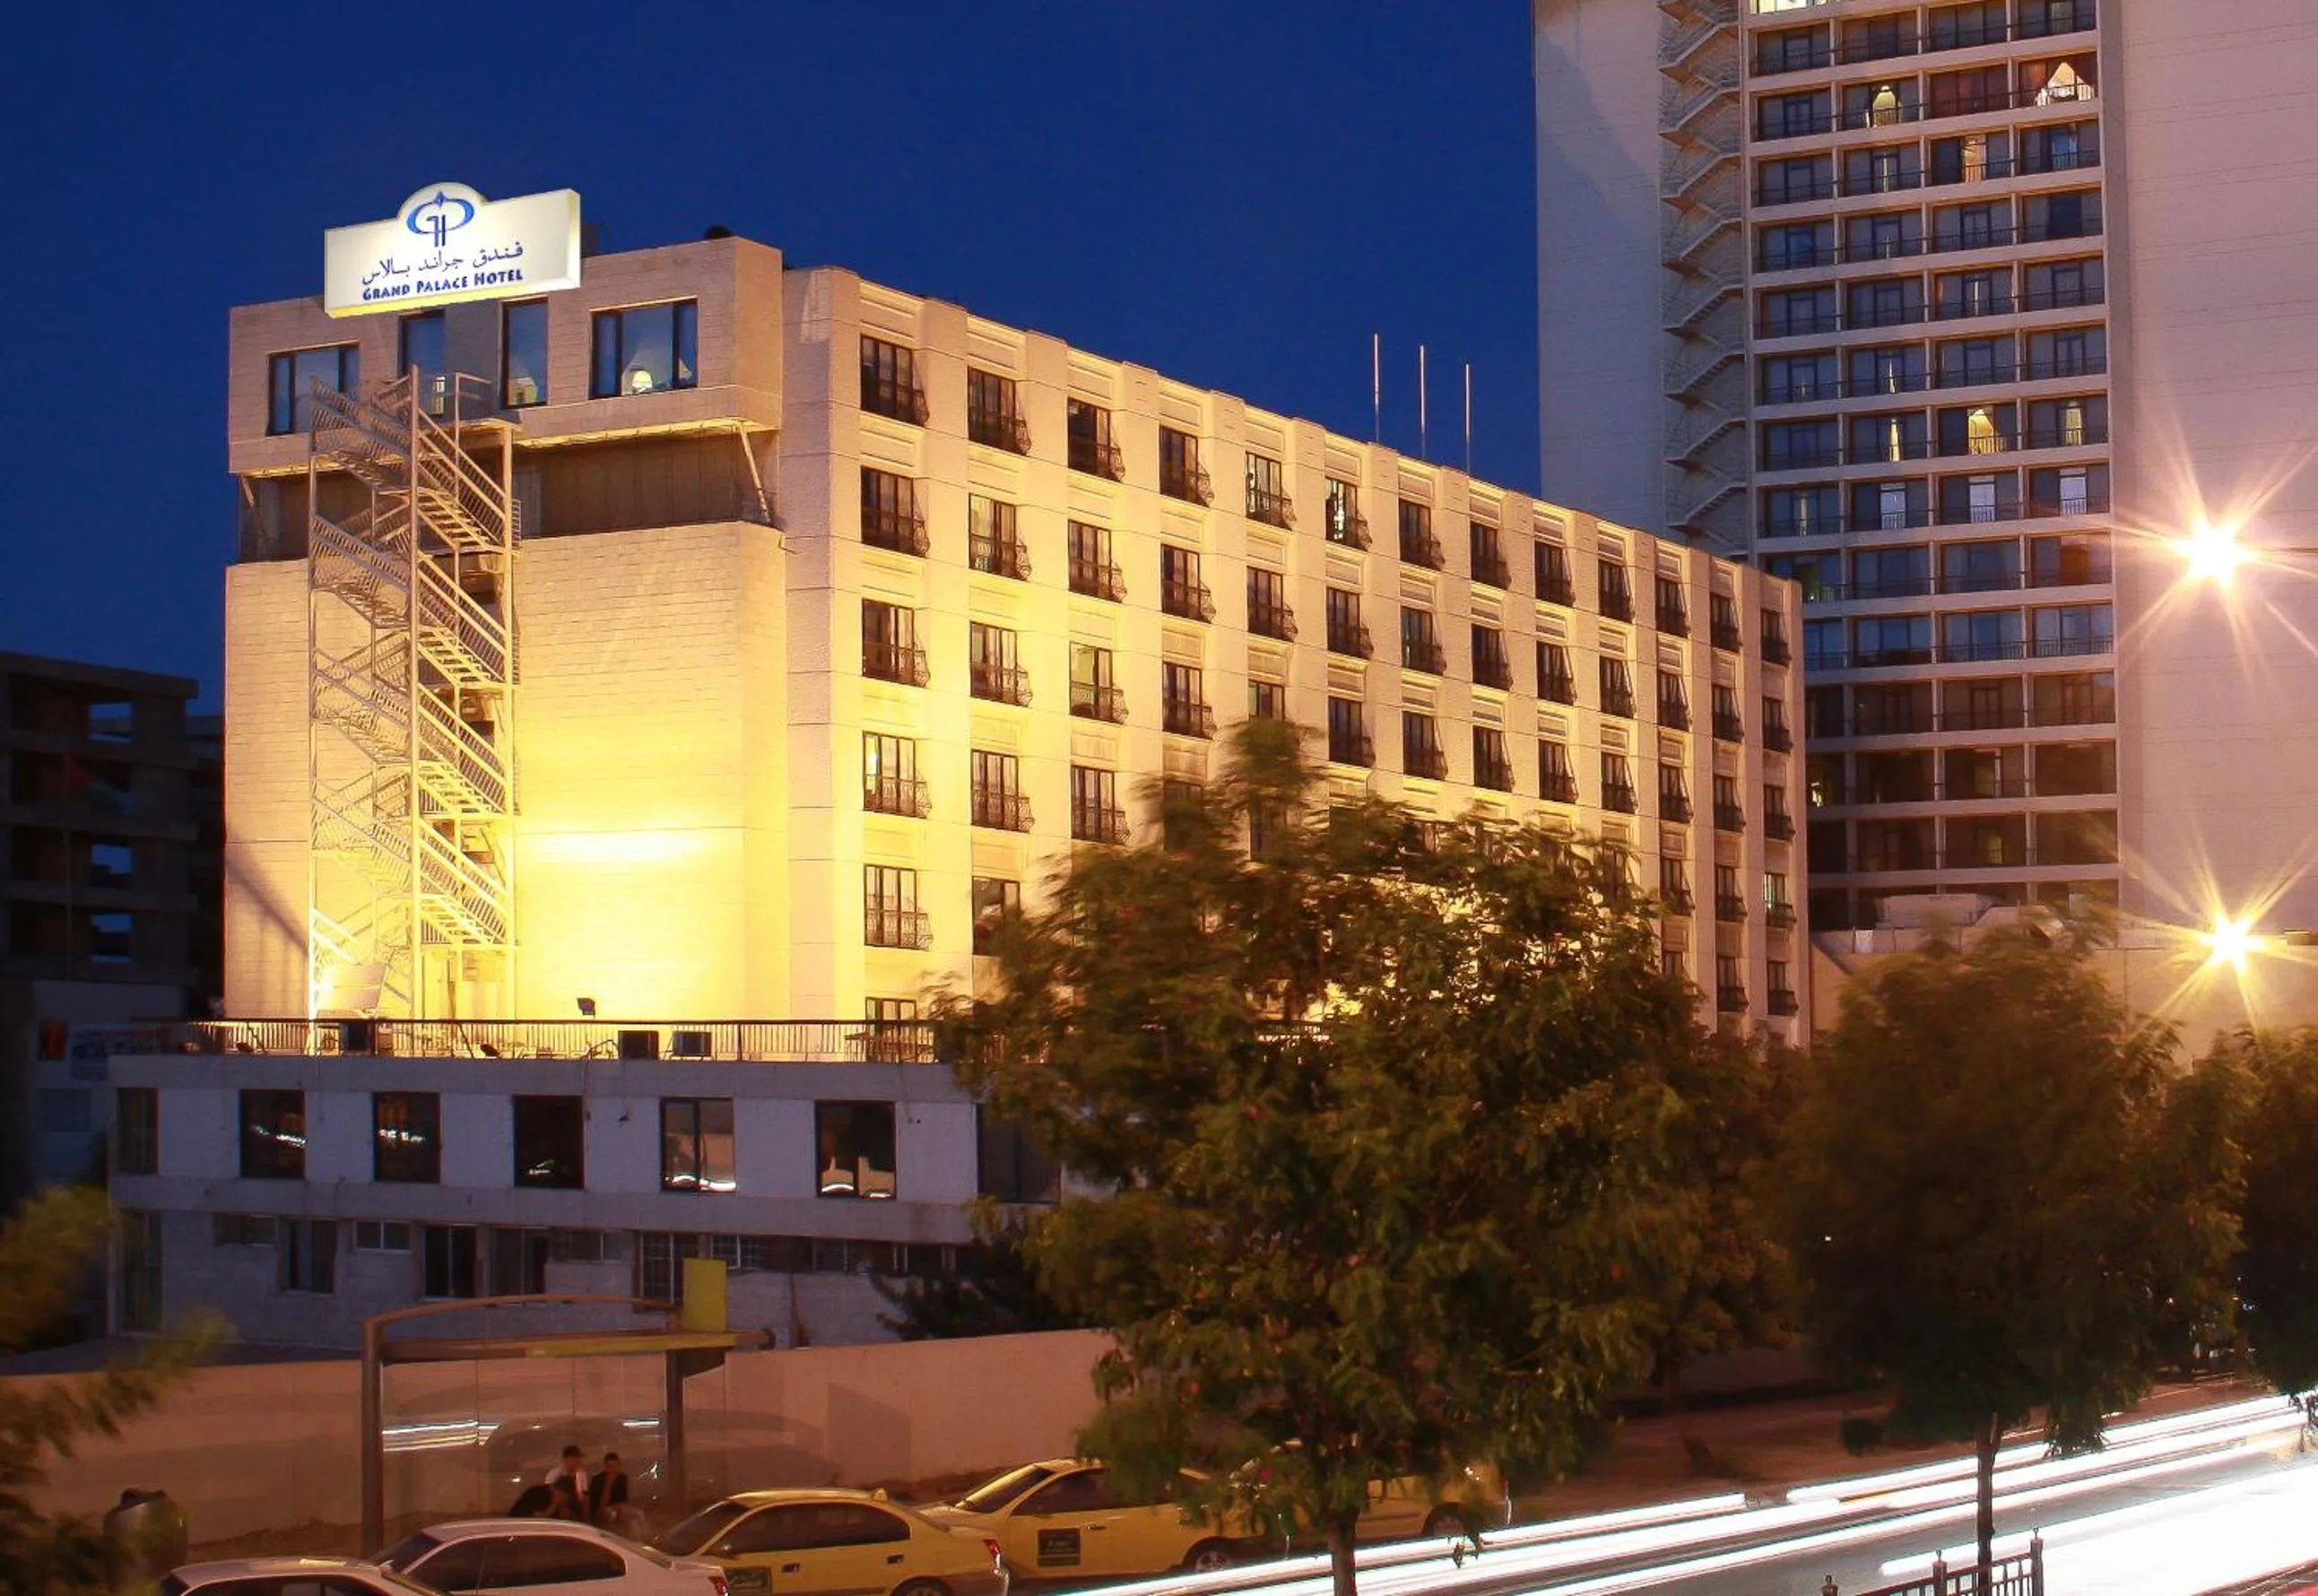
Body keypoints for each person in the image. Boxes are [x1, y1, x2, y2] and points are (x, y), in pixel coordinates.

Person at [589, 1450, 644, 1539]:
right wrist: (609, 1483)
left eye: (615, 1465)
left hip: (618, 1507)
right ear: (605, 1466)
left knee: (638, 1514)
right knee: (612, 1514)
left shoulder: (622, 1478)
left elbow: (624, 1498)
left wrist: (620, 1507)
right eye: (610, 1466)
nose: (612, 1468)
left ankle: (642, 1538)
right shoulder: (598, 1479)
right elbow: (598, 1503)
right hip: (603, 1509)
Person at [543, 1445, 590, 1521]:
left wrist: (586, 1517)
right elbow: (549, 1496)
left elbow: (585, 1496)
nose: (579, 1461)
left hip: (577, 1511)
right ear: (568, 1459)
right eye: (576, 1459)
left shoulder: (581, 1474)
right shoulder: (553, 1474)